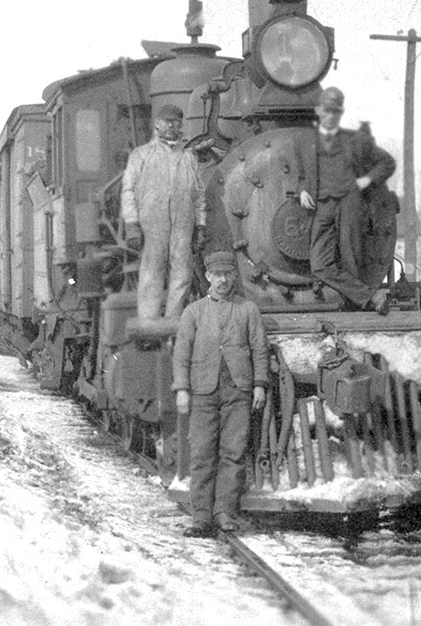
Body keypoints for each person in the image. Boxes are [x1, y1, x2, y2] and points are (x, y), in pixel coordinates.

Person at [172, 251, 268, 537]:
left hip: (238, 390)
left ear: (234, 276)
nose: (223, 280)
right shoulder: (194, 312)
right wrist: (182, 389)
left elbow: (259, 349)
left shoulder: (248, 310)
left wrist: (259, 384)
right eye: (217, 275)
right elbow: (181, 353)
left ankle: (224, 511)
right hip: (203, 390)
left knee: (233, 453)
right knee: (201, 454)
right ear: (209, 277)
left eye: (228, 274)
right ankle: (200, 516)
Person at [292, 86, 396, 313]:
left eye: (336, 112)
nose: (331, 116)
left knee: (351, 257)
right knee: (319, 265)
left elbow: (387, 162)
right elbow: (301, 176)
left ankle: (355, 306)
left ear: (340, 114)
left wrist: (368, 179)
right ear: (318, 110)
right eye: (327, 111)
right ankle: (371, 297)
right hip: (321, 205)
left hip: (349, 202)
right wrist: (302, 191)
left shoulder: (354, 141)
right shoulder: (305, 142)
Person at [121, 103, 205, 319]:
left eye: (175, 121)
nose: (170, 125)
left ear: (180, 125)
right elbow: (128, 191)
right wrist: (132, 224)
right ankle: (148, 325)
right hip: (153, 225)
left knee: (182, 274)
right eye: (166, 121)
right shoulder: (141, 156)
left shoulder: (188, 158)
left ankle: (173, 323)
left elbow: (198, 195)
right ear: (157, 124)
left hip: (183, 224)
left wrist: (201, 225)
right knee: (151, 273)